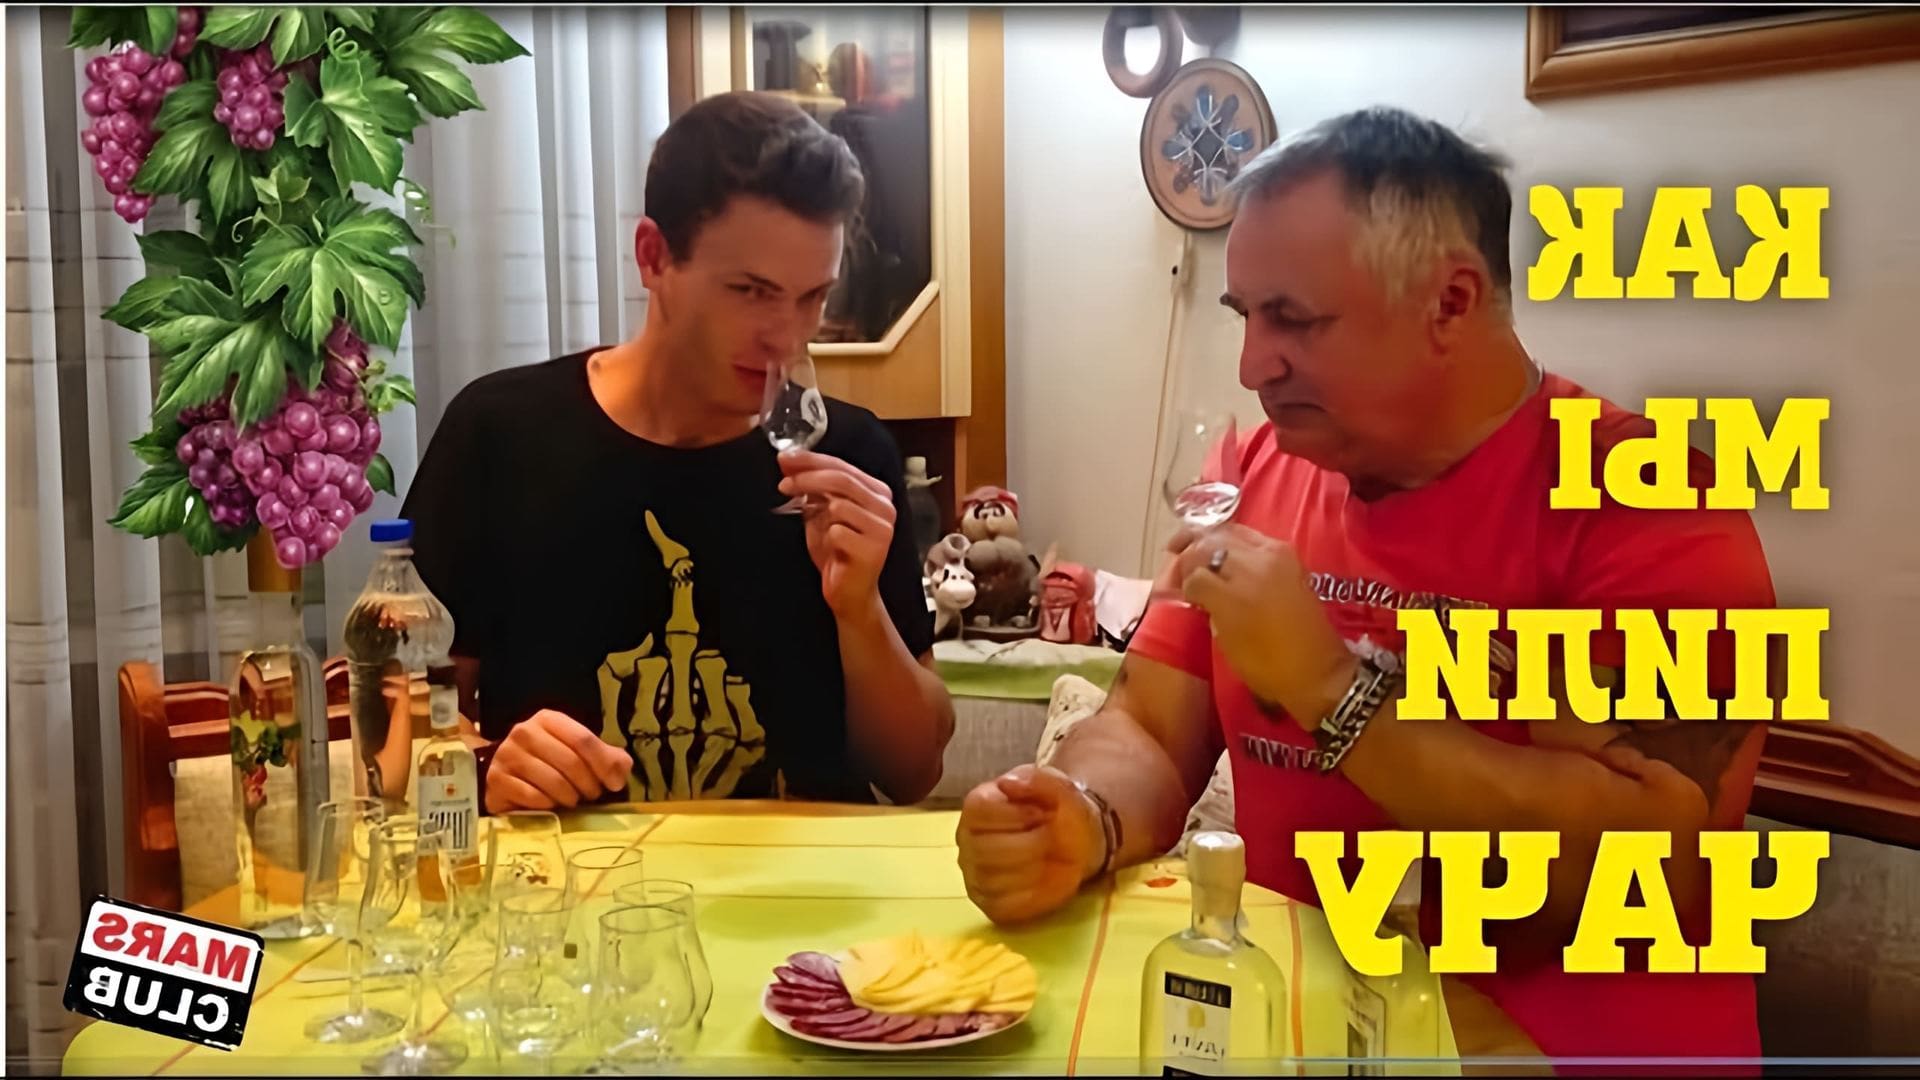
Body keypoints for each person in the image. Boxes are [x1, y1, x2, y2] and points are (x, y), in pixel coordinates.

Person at [954, 106, 1776, 1062]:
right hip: (1306, 1037)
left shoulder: (1655, 507)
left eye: (1295, 319)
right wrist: (1083, 814)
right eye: (1246, 317)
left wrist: (1330, 688)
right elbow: (1148, 726)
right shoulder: (1255, 470)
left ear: (1451, 303)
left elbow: (1641, 862)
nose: (1253, 365)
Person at [400, 91, 955, 813]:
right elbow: (398, 721)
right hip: (579, 876)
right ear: (653, 256)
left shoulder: (847, 456)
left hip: (804, 882)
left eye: (813, 297)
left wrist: (860, 611)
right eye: (751, 291)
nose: (788, 336)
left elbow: (914, 773)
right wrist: (483, 766)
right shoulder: (500, 434)